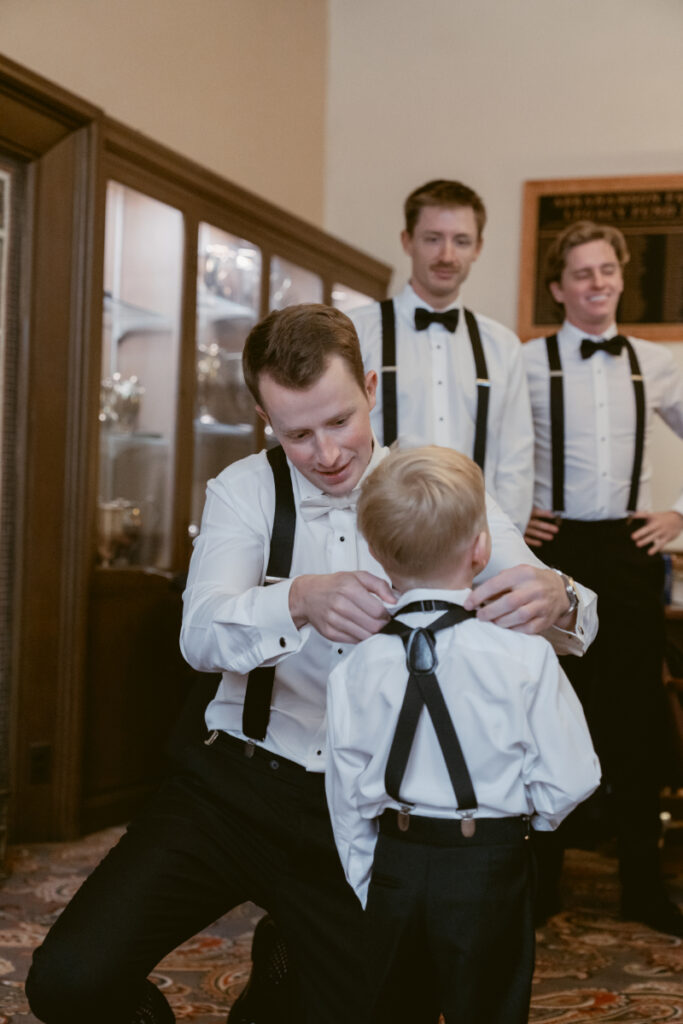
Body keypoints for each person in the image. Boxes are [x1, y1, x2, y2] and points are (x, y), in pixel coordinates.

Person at [26, 304, 596, 1024]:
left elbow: (561, 619)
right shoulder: (245, 489)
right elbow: (199, 635)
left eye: (339, 421)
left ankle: (284, 958)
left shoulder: (435, 484)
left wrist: (561, 595)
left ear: (371, 386)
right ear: (266, 420)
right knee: (69, 981)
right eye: (297, 434)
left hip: (364, 813)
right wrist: (294, 600)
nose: (326, 453)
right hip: (230, 786)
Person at [325, 445, 600, 1024]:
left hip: (394, 863)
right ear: (481, 548)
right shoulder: (526, 656)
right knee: (490, 1008)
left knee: (392, 1009)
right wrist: (528, 820)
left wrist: (368, 879)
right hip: (488, 863)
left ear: (375, 553)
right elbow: (575, 776)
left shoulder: (355, 664)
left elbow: (345, 791)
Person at [523, 220, 683, 935]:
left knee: (635, 721)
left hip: (626, 553)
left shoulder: (659, 361)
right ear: (558, 288)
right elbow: (483, 447)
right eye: (580, 274)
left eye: (605, 271)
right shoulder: (523, 362)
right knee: (544, 709)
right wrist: (507, 512)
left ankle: (643, 889)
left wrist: (677, 515)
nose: (596, 283)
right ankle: (538, 885)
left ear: (620, 277)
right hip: (552, 551)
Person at [349, 179, 534, 531]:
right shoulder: (356, 332)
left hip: (475, 543)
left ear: (478, 247)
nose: (447, 255)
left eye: (461, 241)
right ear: (407, 241)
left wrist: (498, 546)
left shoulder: (503, 346)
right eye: (433, 238)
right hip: (377, 534)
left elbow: (515, 464)